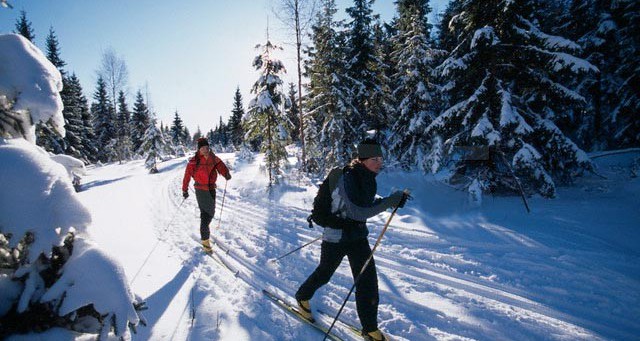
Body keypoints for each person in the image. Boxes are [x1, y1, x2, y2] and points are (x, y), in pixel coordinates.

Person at [295, 138, 408, 341]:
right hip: (336, 237)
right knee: (325, 273)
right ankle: (302, 296)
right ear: (362, 159)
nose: (379, 163)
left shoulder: (368, 178)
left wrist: (390, 202)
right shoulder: (347, 177)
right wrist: (389, 201)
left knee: (367, 281)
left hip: (357, 237)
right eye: (375, 159)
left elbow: (364, 204)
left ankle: (370, 329)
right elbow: (357, 211)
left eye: (381, 158)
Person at [182, 137, 231, 253]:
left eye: (207, 147)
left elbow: (221, 166)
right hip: (200, 190)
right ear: (199, 149)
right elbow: (187, 176)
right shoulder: (194, 161)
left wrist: (226, 174)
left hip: (211, 189)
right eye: (203, 148)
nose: (205, 149)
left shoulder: (213, 158)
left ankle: (204, 231)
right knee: (206, 215)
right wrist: (185, 190)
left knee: (211, 212)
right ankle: (205, 241)